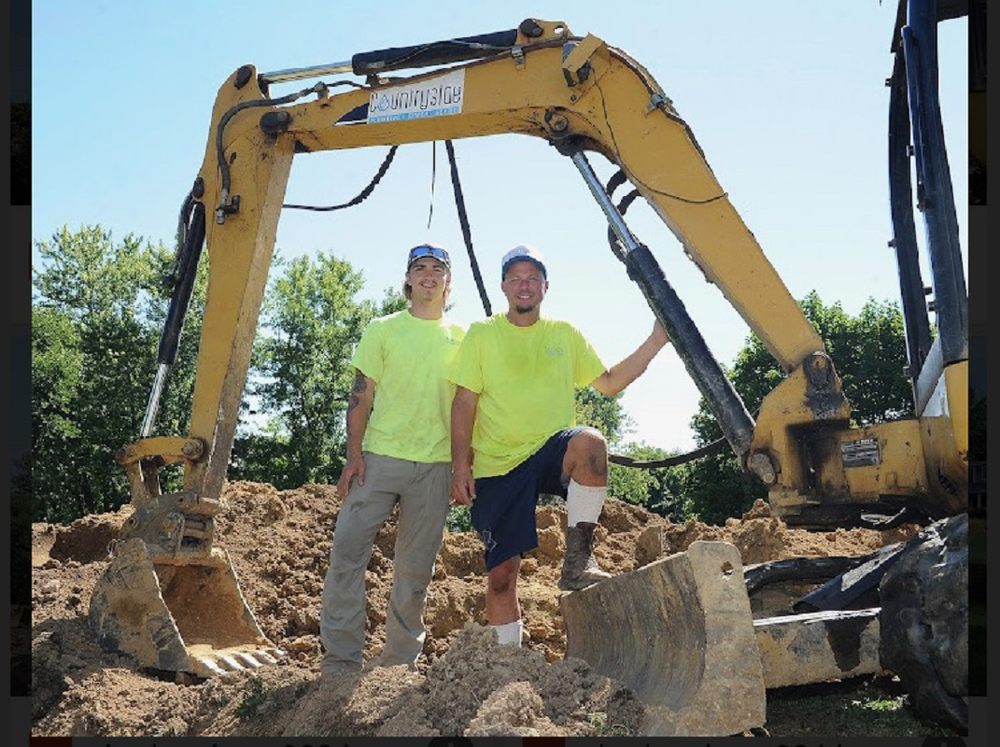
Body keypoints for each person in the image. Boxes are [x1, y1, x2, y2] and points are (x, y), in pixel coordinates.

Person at [449, 244, 669, 647]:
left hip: (549, 452)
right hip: (498, 465)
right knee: (502, 577)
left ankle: (579, 559)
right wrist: (460, 466)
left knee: (590, 444)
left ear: (545, 286)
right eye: (516, 278)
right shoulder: (482, 334)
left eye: (532, 278)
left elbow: (609, 384)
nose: (524, 285)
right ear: (503, 286)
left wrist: (656, 340)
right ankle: (506, 662)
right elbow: (464, 402)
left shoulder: (564, 335)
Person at [319, 243, 465, 674]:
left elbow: (468, 406)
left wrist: (462, 466)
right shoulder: (382, 330)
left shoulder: (465, 338)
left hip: (435, 467)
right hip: (379, 460)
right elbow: (360, 396)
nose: (428, 275)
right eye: (420, 268)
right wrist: (353, 456)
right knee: (347, 556)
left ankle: (397, 665)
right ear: (407, 279)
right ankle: (341, 662)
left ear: (447, 281)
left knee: (415, 571)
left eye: (437, 269)